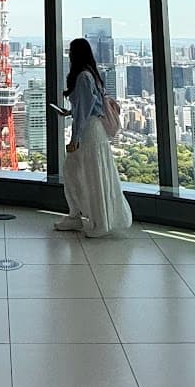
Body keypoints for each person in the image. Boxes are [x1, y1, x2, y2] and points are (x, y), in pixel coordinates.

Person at [54, 37, 133, 238]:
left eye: (71, 51)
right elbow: (88, 106)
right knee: (88, 173)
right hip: (94, 130)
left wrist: (75, 138)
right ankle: (83, 216)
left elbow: (84, 111)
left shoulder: (82, 77)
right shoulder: (92, 75)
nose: (69, 55)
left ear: (76, 54)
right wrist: (69, 112)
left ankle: (95, 221)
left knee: (83, 174)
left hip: (89, 132)